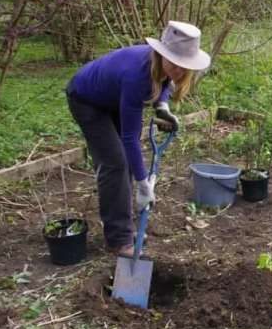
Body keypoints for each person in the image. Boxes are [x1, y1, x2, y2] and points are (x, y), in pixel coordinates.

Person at [66, 21, 210, 257]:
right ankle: (118, 239)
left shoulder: (161, 67)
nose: (179, 71)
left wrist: (162, 104)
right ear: (162, 54)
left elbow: (165, 81)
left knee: (125, 162)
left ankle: (124, 228)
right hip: (86, 100)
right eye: (175, 63)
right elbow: (131, 137)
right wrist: (144, 185)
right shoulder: (137, 75)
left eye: (185, 66)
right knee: (115, 163)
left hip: (111, 98)